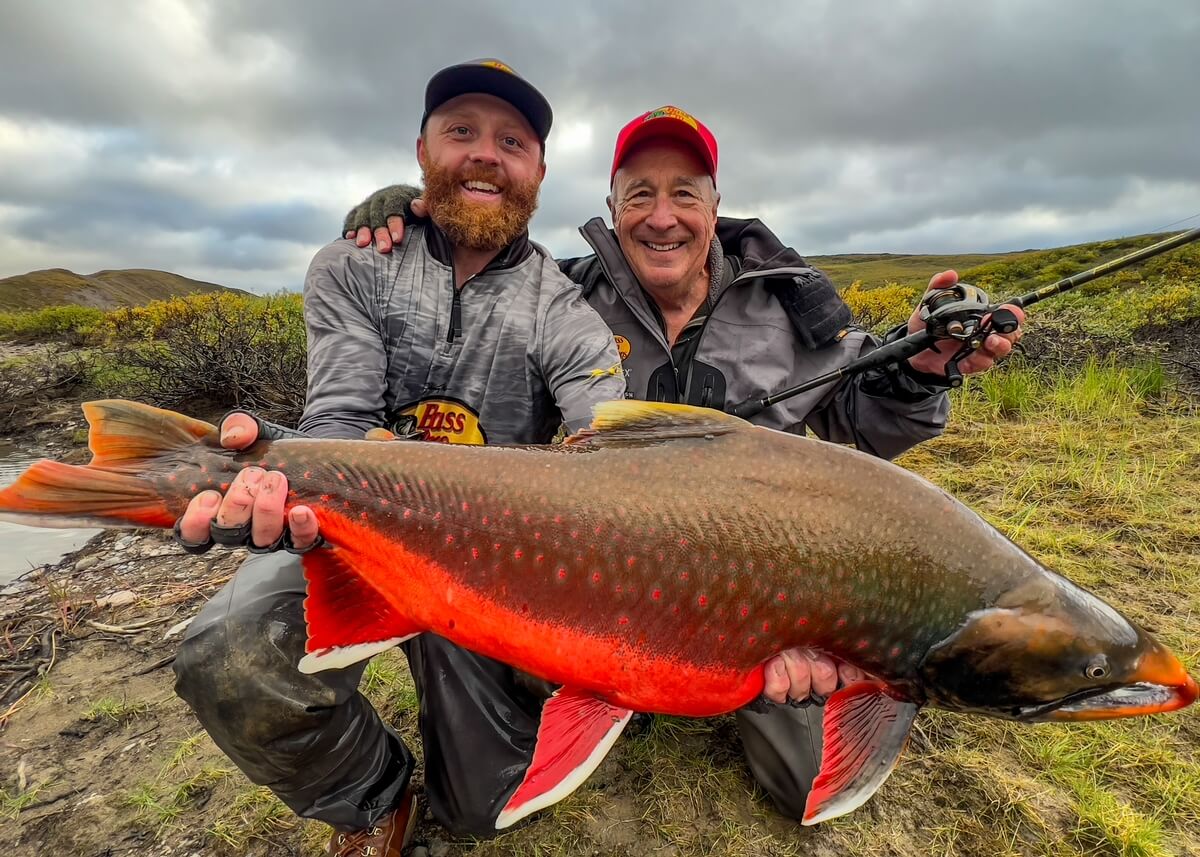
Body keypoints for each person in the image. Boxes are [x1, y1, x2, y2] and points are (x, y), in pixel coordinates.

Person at [341, 104, 1024, 823]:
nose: (661, 217)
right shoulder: (560, 300)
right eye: (640, 194)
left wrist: (920, 367)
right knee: (485, 786)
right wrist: (417, 224)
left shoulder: (790, 307)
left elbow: (865, 421)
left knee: (807, 780)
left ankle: (735, 689)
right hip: (592, 577)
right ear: (611, 208)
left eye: (683, 194)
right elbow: (468, 316)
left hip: (760, 595)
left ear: (715, 206)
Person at [170, 59, 632, 857]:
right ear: (422, 151)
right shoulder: (352, 264)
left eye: (511, 141)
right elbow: (339, 419)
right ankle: (374, 797)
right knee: (231, 653)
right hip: (352, 535)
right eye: (462, 132)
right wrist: (288, 486)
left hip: (497, 562)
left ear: (539, 172)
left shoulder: (566, 309)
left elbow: (610, 446)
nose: (486, 155)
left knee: (486, 808)